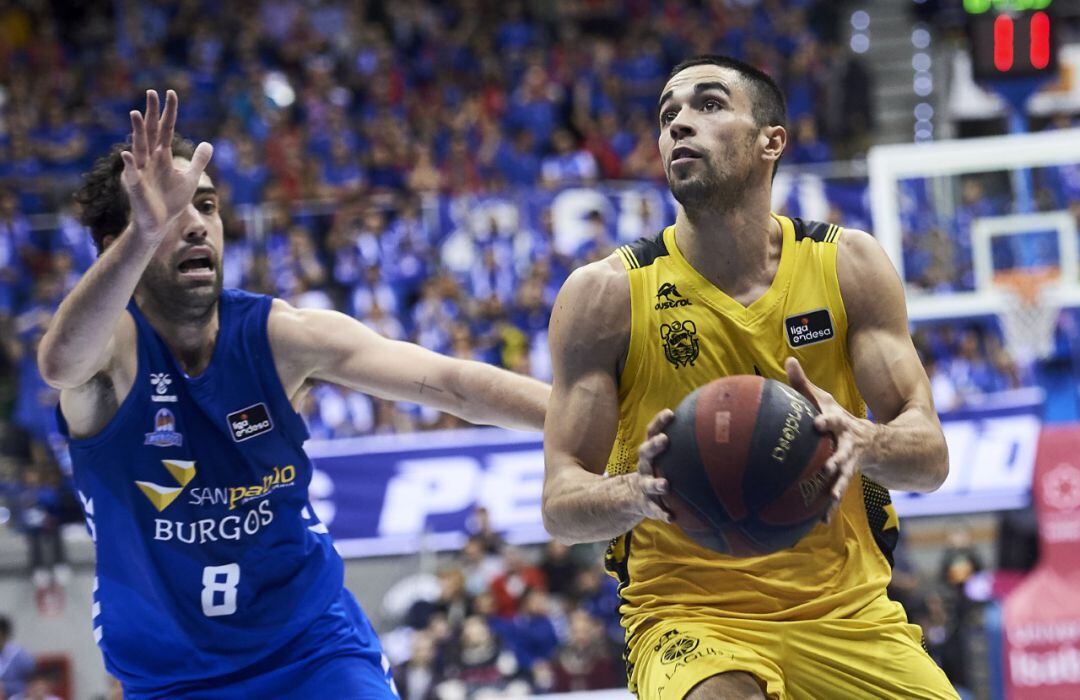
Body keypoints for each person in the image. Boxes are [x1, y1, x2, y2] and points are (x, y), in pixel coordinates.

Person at [37, 90, 549, 699]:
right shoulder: (110, 357)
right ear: (115, 243)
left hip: (312, 650)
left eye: (205, 205)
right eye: (168, 213)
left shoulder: (279, 336)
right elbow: (59, 363)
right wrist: (144, 232)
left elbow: (455, 385)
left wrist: (602, 421)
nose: (195, 223)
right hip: (170, 677)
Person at [541, 55, 958, 700]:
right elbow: (561, 503)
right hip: (690, 618)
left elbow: (930, 460)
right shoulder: (605, 295)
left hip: (846, 613)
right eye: (667, 114)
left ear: (772, 141)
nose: (680, 122)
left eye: (708, 105)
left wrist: (862, 440)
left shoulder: (849, 264)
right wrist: (640, 492)